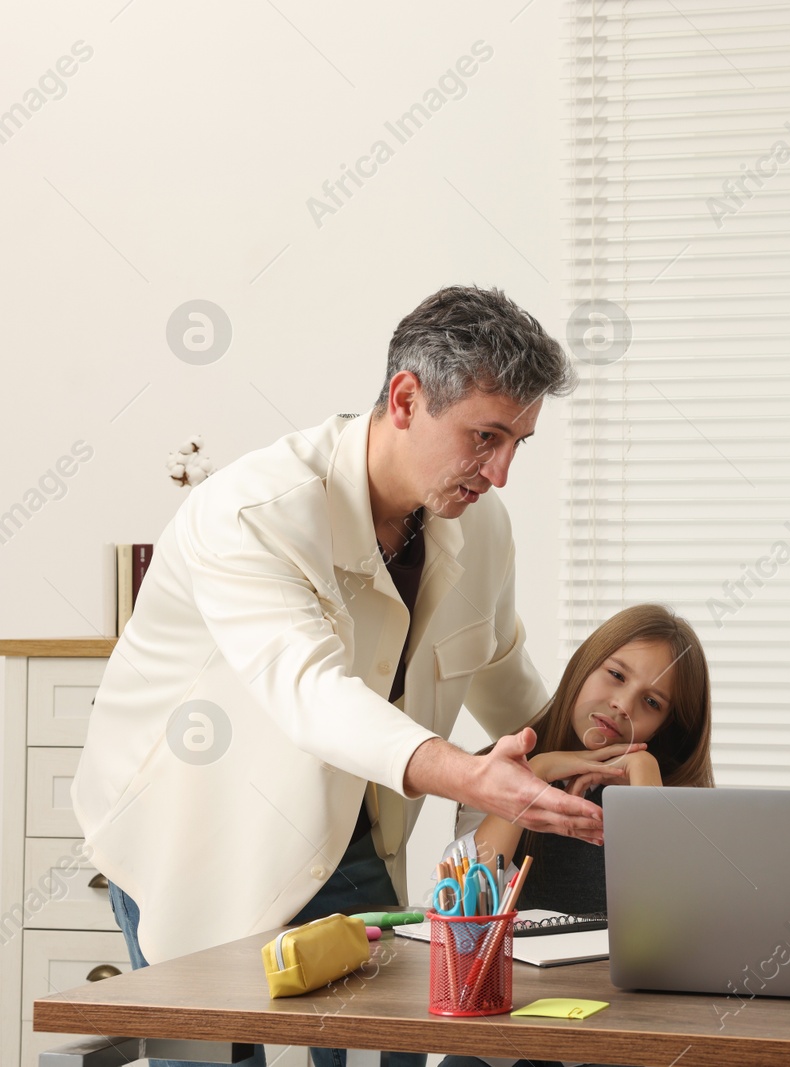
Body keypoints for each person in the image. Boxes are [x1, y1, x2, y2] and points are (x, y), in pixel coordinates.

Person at [74, 286, 601, 1067]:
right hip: (195, 832)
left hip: (350, 839)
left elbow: (507, 685)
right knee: (214, 1056)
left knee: (388, 1052)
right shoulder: (255, 511)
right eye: (485, 436)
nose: (500, 471)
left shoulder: (477, 525)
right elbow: (313, 693)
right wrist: (473, 780)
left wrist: (606, 753)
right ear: (405, 398)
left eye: (518, 441)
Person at [439, 604, 713, 1067]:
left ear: (668, 726)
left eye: (652, 702)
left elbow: (670, 930)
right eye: (616, 675)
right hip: (507, 1031)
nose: (623, 705)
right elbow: (464, 911)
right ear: (585, 665)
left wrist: (644, 773)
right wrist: (537, 773)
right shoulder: (495, 768)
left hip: (621, 1036)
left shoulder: (672, 798)